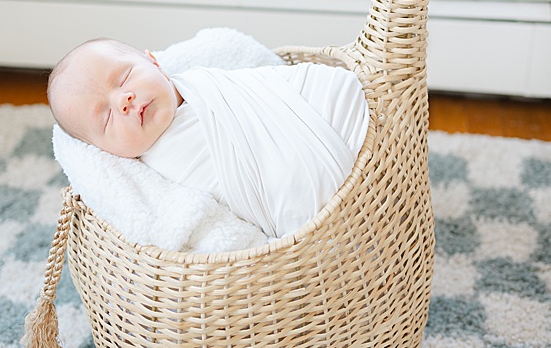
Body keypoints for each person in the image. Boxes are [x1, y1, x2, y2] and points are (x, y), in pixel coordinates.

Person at [47, 38, 369, 239]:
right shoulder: (153, 181)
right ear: (105, 151)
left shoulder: (208, 83)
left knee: (339, 95)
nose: (124, 100)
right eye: (106, 117)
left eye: (124, 77)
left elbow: (268, 88)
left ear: (153, 61)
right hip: (304, 205)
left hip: (321, 111)